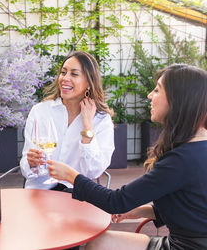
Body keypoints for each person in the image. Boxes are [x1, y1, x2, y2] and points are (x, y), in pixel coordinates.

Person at [48, 64, 207, 250]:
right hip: (186, 242)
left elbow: (116, 201)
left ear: (178, 100)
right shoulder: (196, 148)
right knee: (99, 242)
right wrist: (139, 211)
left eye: (157, 90)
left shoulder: (180, 160)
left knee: (97, 243)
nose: (149, 95)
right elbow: (193, 208)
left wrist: (71, 176)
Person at [20, 51, 115, 190]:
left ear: (89, 82)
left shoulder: (101, 120)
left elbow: (94, 171)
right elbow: (25, 166)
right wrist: (31, 164)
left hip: (76, 196)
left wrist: (87, 125)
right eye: (63, 72)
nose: (65, 78)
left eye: (74, 74)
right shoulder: (40, 112)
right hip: (39, 193)